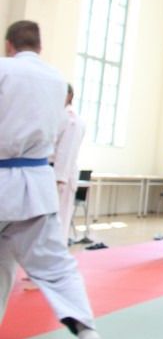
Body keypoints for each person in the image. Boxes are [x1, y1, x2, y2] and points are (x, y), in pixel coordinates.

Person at [0, 20, 121, 339]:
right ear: (39, 46)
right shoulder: (56, 80)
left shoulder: (4, 69)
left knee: (3, 268)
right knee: (56, 267)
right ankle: (89, 335)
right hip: (36, 184)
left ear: (9, 44)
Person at [53, 84, 86, 244]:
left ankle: (57, 251)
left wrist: (60, 179)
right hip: (51, 173)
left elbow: (67, 151)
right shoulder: (58, 115)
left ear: (69, 96)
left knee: (60, 220)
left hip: (61, 176)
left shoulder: (72, 119)